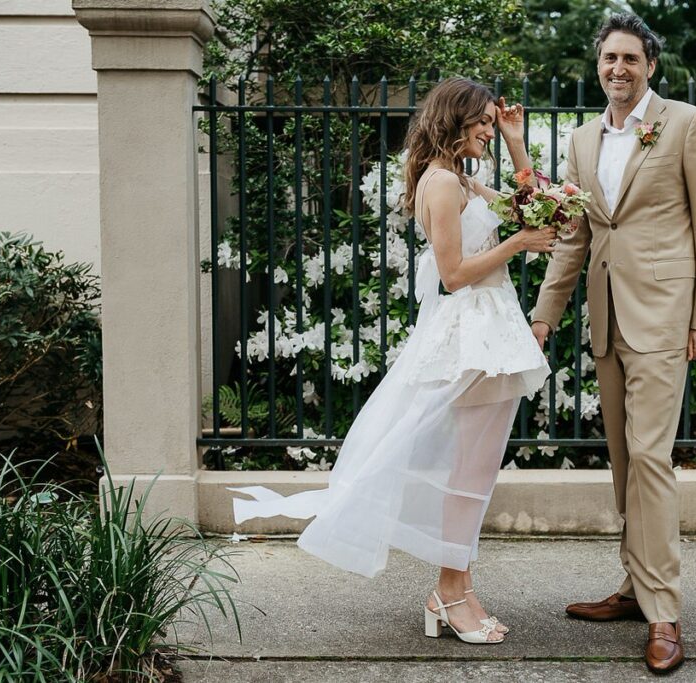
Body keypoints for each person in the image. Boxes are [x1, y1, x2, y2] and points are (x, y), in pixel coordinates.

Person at [230, 77, 555, 645]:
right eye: (481, 121)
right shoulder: (440, 184)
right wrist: (515, 247)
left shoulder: (462, 179)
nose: (486, 128)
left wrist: (514, 140)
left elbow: (535, 206)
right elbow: (454, 275)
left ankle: (455, 589)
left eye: (490, 122)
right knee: (470, 474)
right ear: (453, 122)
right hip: (471, 335)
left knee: (474, 472)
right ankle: (451, 594)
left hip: (491, 332)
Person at [530, 13, 696, 674]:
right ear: (600, 65)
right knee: (624, 458)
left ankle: (665, 610)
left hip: (666, 316)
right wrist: (544, 316)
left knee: (650, 455)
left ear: (651, 65)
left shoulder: (686, 124)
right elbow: (575, 236)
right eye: (609, 59)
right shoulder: (583, 139)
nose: (618, 69)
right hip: (607, 318)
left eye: (630, 59)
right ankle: (633, 586)